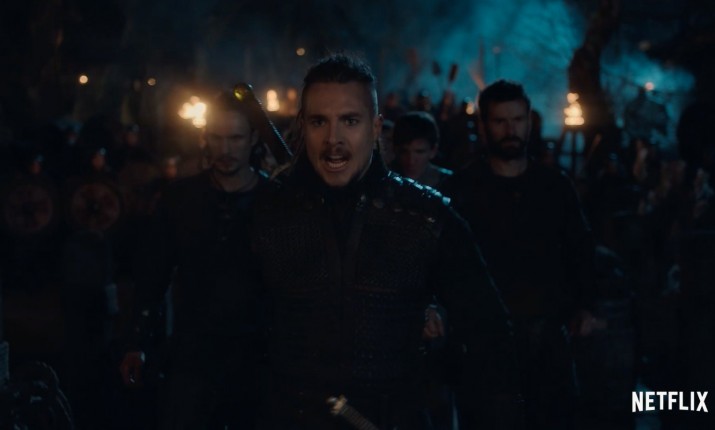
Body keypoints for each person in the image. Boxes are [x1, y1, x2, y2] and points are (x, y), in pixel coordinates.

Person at [251, 53, 522, 429]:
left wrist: (440, 328)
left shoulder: (424, 217)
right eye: (319, 121)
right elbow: (230, 332)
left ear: (376, 127)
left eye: (350, 121)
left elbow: (489, 332)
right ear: (303, 126)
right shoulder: (267, 215)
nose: (333, 139)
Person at [443, 79, 596, 430]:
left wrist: (586, 305)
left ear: (529, 121)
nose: (510, 130)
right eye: (500, 121)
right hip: (486, 345)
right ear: (485, 126)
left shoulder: (553, 187)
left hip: (548, 339)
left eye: (517, 120)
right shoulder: (462, 190)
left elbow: (580, 247)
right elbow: (442, 260)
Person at [118, 90, 266, 429]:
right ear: (205, 138)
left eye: (235, 138)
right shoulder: (181, 199)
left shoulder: (274, 202)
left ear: (253, 139)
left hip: (255, 355)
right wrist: (136, 343)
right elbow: (153, 275)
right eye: (217, 137)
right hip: (192, 353)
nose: (225, 149)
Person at [390, 111, 453, 190]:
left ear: (433, 151)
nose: (411, 160)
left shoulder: (450, 182)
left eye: (419, 152)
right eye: (404, 151)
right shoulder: (385, 179)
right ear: (395, 149)